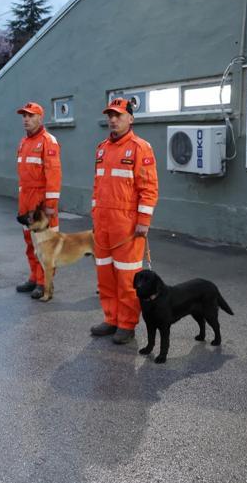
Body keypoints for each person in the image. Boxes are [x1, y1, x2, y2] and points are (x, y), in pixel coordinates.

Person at [90, 98, 158, 345]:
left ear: (131, 118)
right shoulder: (101, 148)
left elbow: (149, 188)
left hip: (127, 224)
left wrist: (144, 220)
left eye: (118, 115)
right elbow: (97, 186)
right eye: (110, 115)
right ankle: (111, 319)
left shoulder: (141, 148)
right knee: (105, 274)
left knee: (128, 278)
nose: (113, 119)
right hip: (104, 222)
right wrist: (95, 212)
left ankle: (127, 325)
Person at [14, 102, 62, 300]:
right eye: (24, 115)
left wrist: (50, 206)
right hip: (26, 198)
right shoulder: (24, 142)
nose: (26, 119)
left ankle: (45, 283)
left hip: (41, 202)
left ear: (40, 118)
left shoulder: (48, 141)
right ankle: (34, 277)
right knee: (30, 241)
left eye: (30, 116)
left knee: (45, 244)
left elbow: (54, 176)